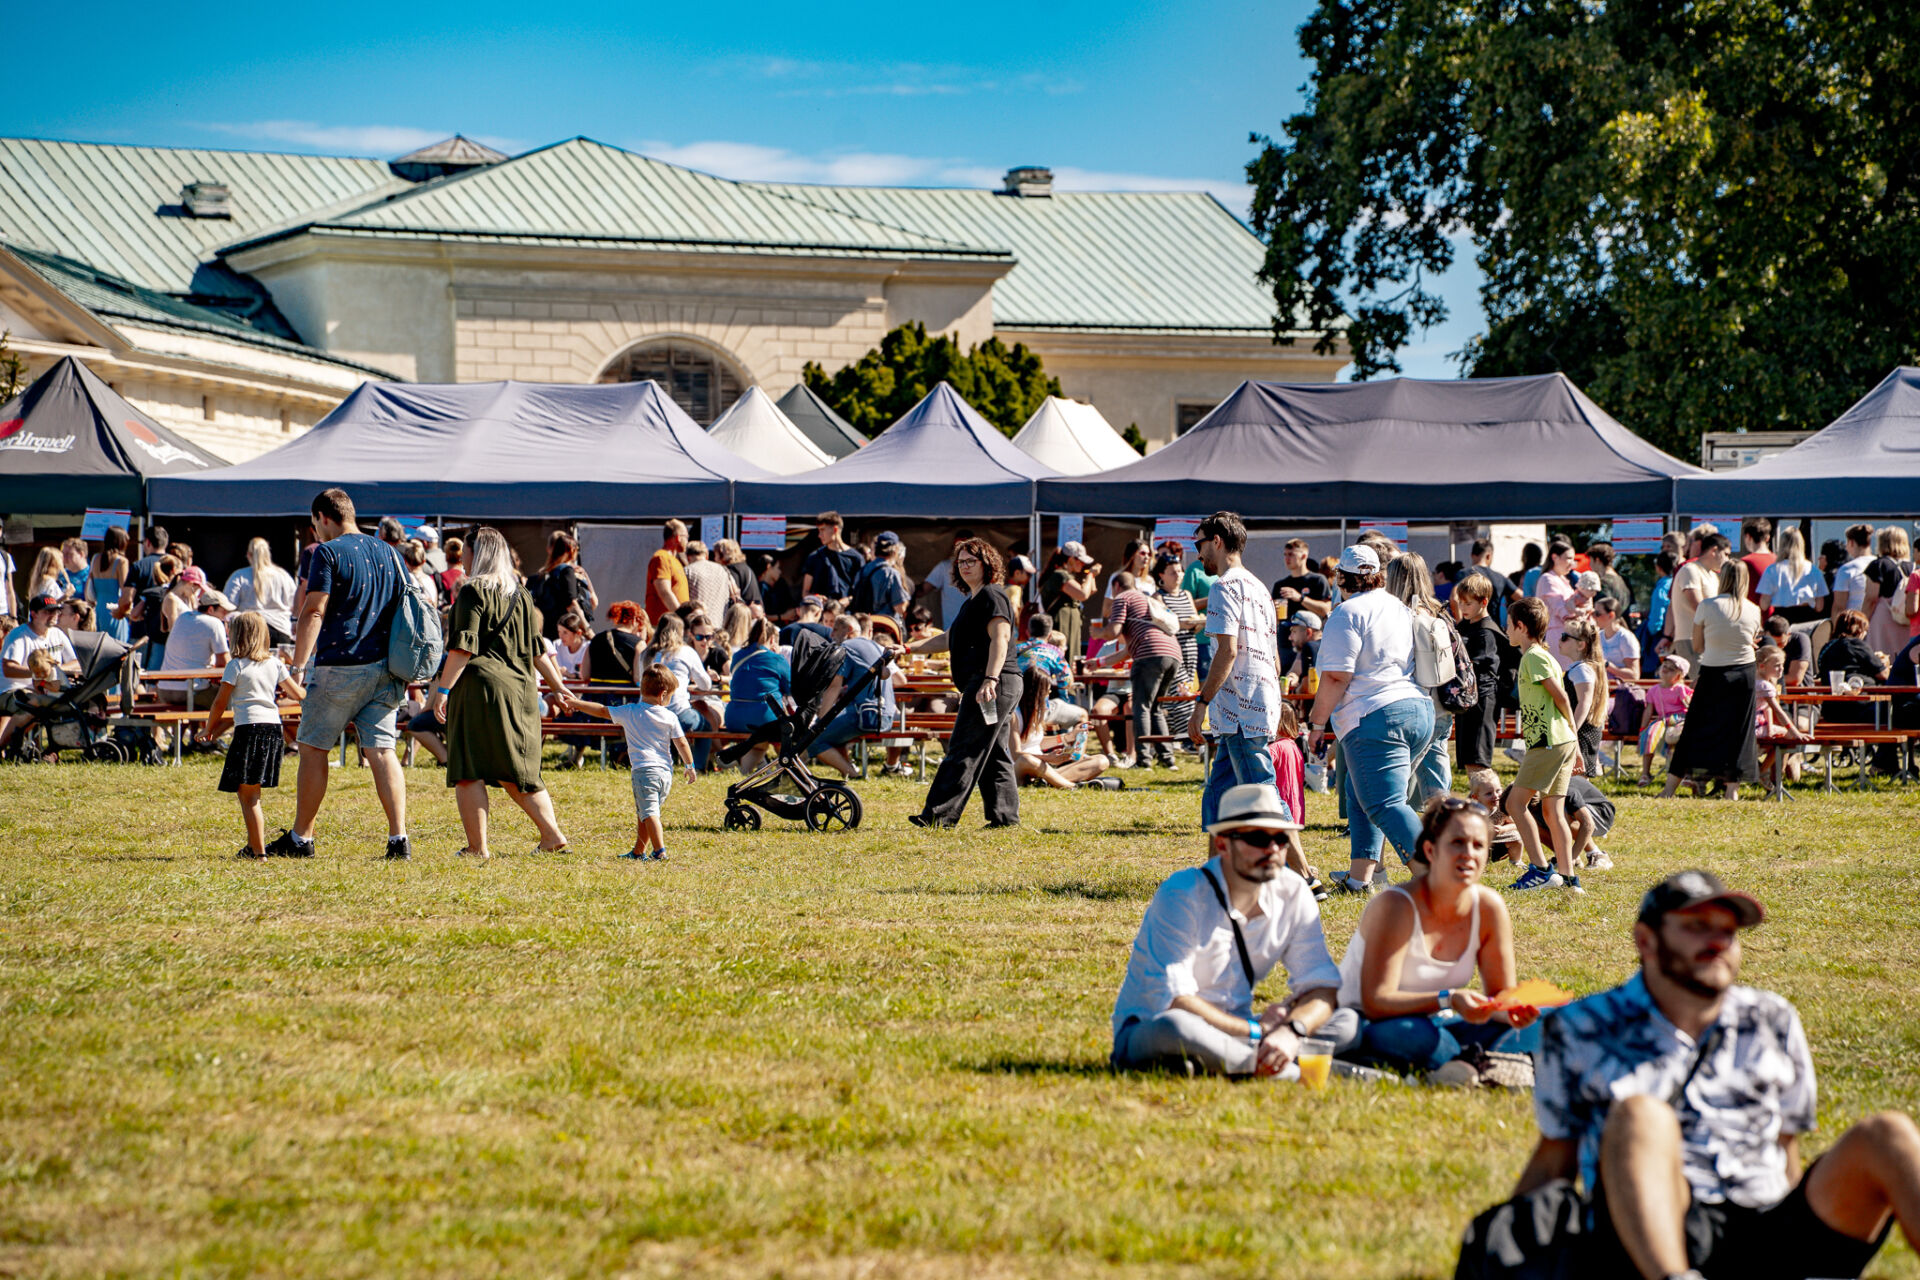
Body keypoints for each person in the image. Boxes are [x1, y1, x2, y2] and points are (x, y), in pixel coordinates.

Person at [1498, 870, 1920, 1280]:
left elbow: (1785, 1149)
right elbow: (1555, 1158)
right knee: (1641, 1116)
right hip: (1651, 1233)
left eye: (1728, 931)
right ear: (1646, 940)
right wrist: (1507, 1248)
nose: (1717, 940)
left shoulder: (1772, 1018)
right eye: (1697, 926)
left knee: (1889, 1135)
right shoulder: (1579, 1028)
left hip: (1766, 1225)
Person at [1110, 783, 1339, 1077]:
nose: (1271, 849)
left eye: (1281, 839)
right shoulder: (1182, 893)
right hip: (1154, 1027)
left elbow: (1322, 985)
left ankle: (1219, 1063)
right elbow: (1173, 1000)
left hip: (1240, 1029)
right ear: (1222, 844)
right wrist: (1259, 1031)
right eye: (1258, 838)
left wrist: (1292, 1030)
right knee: (1178, 1027)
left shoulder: (1294, 891)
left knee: (1345, 1021)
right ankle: (1295, 1073)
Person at [1320, 795, 1539, 1081]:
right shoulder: (1396, 906)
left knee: (1545, 1025)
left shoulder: (1488, 907)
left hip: (1439, 1020)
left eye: (1478, 846)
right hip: (1368, 1020)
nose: (1468, 854)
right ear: (1430, 849)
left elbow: (1499, 998)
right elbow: (1376, 1001)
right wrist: (1448, 999)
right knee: (1420, 1038)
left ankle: (1471, 1064)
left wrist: (1516, 1013)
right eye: (1457, 843)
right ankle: (1478, 1064)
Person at [272, 488, 411, 862]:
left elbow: (314, 611)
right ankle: (399, 840)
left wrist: (297, 667)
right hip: (387, 667)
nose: (315, 531)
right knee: (383, 751)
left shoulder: (327, 553)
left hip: (340, 666)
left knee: (314, 747)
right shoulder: (390, 552)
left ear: (324, 517)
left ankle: (301, 838)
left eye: (314, 523)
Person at [425, 527, 573, 860]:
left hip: (480, 689)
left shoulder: (471, 591)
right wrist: (558, 687)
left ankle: (478, 848)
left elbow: (463, 647)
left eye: (465, 550)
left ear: (477, 554)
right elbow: (537, 650)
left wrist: (443, 690)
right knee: (518, 769)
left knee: (468, 769)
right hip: (520, 689)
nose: (462, 556)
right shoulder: (521, 594)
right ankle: (552, 834)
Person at [1307, 544, 1432, 894]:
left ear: (1341, 577)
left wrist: (1317, 725)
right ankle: (1360, 879)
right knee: (1361, 792)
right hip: (1416, 709)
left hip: (1375, 715)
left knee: (1386, 803)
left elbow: (1336, 677)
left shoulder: (1346, 613)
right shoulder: (1398, 607)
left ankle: (1438, 877)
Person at [907, 537, 1021, 829]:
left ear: (987, 563)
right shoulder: (973, 601)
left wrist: (990, 679)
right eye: (961, 562)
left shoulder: (993, 596)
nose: (966, 566)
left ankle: (938, 816)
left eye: (972, 560)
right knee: (993, 751)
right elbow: (947, 639)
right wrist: (908, 648)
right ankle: (1005, 818)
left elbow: (1001, 638)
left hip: (993, 684)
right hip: (994, 684)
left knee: (963, 747)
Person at [1187, 511, 1285, 828]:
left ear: (1216, 541)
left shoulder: (1223, 587)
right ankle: (1216, 866)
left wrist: (1200, 703)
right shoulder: (1259, 587)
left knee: (1262, 796)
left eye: (1199, 543)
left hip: (1240, 708)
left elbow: (1227, 652)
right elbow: (1274, 655)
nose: (1197, 553)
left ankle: (1300, 872)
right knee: (1218, 793)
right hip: (1252, 705)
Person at [197, 612, 305, 860]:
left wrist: (208, 729)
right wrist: (296, 667)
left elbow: (219, 703)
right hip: (273, 730)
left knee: (249, 796)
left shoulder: (236, 665)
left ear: (236, 636)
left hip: (249, 730)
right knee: (251, 792)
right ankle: (251, 846)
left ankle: (258, 853)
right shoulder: (275, 664)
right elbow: (298, 694)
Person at [571, 664, 697, 861]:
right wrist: (689, 766)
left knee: (649, 813)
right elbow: (681, 742)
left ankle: (659, 851)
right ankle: (638, 851)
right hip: (665, 773)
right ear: (663, 694)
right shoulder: (670, 716)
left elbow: (603, 711)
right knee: (645, 813)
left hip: (644, 771)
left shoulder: (630, 711)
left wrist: (577, 704)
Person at [1664, 560, 1761, 801]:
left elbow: (1697, 646)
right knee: (1739, 731)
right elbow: (1751, 640)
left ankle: (1669, 789)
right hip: (1744, 674)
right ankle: (1732, 789)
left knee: (1695, 728)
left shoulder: (1707, 606)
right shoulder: (1753, 609)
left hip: (1713, 671)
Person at [1505, 597, 1581, 892]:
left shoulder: (1533, 657)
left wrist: (1572, 732)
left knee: (1514, 803)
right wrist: (1572, 740)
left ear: (1521, 627)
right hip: (1559, 741)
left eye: (1509, 625)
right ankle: (1568, 877)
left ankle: (1539, 869)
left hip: (1548, 741)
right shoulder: (1544, 655)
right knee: (1552, 811)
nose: (1507, 629)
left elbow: (1560, 697)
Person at [1385, 552, 1455, 803]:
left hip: (1416, 705)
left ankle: (1389, 830)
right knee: (1437, 781)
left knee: (1396, 780)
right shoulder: (1439, 611)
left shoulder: (1401, 616)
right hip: (1444, 701)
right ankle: (1447, 828)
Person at [1099, 569, 1183, 770]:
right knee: (1154, 707)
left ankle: (1143, 760)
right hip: (1173, 654)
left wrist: (1098, 632)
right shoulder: (1147, 600)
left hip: (1150, 656)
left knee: (1141, 706)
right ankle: (1167, 759)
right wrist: (1100, 662)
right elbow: (1129, 650)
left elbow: (1113, 632)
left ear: (1116, 586)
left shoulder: (1123, 598)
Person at [809, 613, 897, 779]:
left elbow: (834, 687)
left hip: (866, 715)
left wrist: (821, 721)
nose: (832, 634)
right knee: (833, 733)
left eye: (835, 629)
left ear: (849, 630)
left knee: (814, 739)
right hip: (886, 716)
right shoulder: (875, 646)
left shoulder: (847, 647)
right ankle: (849, 770)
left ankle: (853, 774)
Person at [1449, 573, 1512, 785]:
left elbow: (1478, 666)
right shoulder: (1465, 625)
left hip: (1483, 700)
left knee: (1479, 760)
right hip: (1468, 701)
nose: (1463, 608)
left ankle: (1492, 803)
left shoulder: (1486, 631)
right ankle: (1481, 802)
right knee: (1469, 760)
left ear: (1483, 602)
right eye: (1461, 602)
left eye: (1468, 603)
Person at [1010, 666, 1114, 788]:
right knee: (1027, 760)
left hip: (1042, 769)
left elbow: (1035, 742)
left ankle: (1047, 782)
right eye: (1047, 691)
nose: (1049, 695)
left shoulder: (1037, 713)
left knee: (1101, 760)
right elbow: (1016, 754)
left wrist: (1068, 737)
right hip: (1020, 768)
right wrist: (1048, 758)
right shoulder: (1014, 715)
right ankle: (1072, 786)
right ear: (1035, 692)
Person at [642, 614, 719, 772]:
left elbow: (639, 680)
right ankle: (697, 767)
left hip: (646, 712)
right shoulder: (686, 652)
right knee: (705, 728)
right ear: (681, 632)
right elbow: (705, 684)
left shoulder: (646, 653)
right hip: (677, 711)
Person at [154, 588, 233, 708]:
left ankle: (199, 727)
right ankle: (207, 728)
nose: (225, 617)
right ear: (211, 609)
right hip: (190, 692)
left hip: (164, 690)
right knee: (238, 703)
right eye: (224, 612)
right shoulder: (214, 624)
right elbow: (224, 663)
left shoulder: (183, 617)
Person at [1670, 533, 1731, 670]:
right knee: (1700, 685)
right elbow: (1699, 607)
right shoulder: (1690, 570)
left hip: (1709, 640)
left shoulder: (1712, 575)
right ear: (1714, 551)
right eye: (1726, 554)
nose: (1728, 560)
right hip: (1690, 639)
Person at [223, 537, 297, 645]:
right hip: (280, 630)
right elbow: (294, 604)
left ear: (249, 555)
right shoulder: (283, 576)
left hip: (249, 630)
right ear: (268, 554)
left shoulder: (239, 576)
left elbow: (228, 605)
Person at [1561, 617, 1609, 778]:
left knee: (1578, 779)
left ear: (1581, 645)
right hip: (1581, 729)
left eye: (1565, 637)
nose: (1561, 640)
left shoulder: (1582, 670)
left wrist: (1571, 731)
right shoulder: (1579, 668)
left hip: (1582, 731)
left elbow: (1584, 702)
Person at [527, 532, 598, 640]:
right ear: (572, 550)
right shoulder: (567, 571)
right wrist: (588, 631)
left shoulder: (542, 575)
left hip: (546, 632)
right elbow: (572, 603)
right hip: (565, 634)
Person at [1038, 541, 1099, 666]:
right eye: (1080, 561)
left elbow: (1091, 590)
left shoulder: (1066, 575)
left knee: (1071, 660)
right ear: (1071, 559)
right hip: (1062, 623)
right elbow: (1083, 594)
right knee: (1062, 659)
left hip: (1070, 623)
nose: (1082, 564)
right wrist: (1091, 574)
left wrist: (1090, 576)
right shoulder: (1060, 575)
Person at [1637, 655, 1694, 784]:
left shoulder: (1680, 689)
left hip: (1680, 720)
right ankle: (1645, 773)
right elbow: (1648, 711)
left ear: (1679, 676)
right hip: (1663, 720)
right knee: (1649, 735)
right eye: (1665, 666)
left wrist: (1685, 697)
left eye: (1672, 669)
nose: (1666, 669)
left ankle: (1683, 774)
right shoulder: (1654, 690)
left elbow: (1689, 706)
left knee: (1678, 738)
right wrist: (1643, 728)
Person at [1755, 527, 1825, 625]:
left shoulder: (1772, 570)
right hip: (1807, 618)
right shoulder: (1812, 569)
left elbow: (1764, 604)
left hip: (1781, 619)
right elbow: (1819, 606)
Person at [1866, 525, 1914, 657]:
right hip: (1907, 617)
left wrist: (1863, 620)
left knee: (1881, 656)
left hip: (1883, 616)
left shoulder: (1879, 565)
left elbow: (1870, 598)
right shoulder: (1913, 567)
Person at [800, 512, 863, 609]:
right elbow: (805, 592)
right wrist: (816, 598)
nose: (819, 535)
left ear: (835, 530)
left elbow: (862, 591)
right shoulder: (814, 558)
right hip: (821, 615)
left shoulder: (856, 558)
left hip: (847, 615)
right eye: (819, 530)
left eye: (822, 530)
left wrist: (849, 600)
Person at [1461, 538, 1523, 627]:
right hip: (1493, 628)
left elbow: (1454, 598)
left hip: (1470, 629)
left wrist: (1460, 623)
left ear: (1472, 555)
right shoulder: (1500, 578)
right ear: (1489, 556)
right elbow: (1522, 598)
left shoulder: (1464, 574)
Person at [851, 531, 909, 624]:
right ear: (895, 550)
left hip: (864, 625)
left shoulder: (862, 571)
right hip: (884, 626)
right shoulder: (891, 573)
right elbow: (900, 608)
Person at [86, 527, 132, 644]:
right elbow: (125, 589)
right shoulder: (121, 562)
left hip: (99, 609)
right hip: (115, 609)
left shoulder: (96, 558)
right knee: (118, 647)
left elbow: (90, 584)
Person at [1535, 541, 1581, 651]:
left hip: (1569, 635)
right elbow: (1561, 609)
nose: (1572, 563)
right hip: (1557, 637)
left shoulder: (1562, 579)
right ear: (1555, 557)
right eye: (1568, 558)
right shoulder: (1547, 578)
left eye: (1573, 559)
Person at [645, 520, 690, 625]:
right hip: (664, 625)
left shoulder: (675, 560)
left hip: (675, 624)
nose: (687, 541)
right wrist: (682, 617)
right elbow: (664, 592)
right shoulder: (661, 558)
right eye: (686, 537)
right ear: (678, 538)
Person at [1830, 522, 1876, 621]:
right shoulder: (1880, 564)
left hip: (1853, 625)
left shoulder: (1847, 569)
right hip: (1876, 623)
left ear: (1851, 542)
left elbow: (1839, 606)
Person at [1761, 615, 1814, 687]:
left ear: (1788, 634)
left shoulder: (1800, 640)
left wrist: (1763, 678)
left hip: (1800, 693)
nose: (1777, 648)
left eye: (1781, 643)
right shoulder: (1760, 642)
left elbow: (1795, 679)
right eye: (1772, 644)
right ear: (1763, 634)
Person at [1588, 541, 1633, 616]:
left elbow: (1604, 610)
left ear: (1597, 560)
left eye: (1591, 560)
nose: (1590, 564)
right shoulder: (1623, 580)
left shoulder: (1603, 583)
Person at [1739, 518, 1776, 606]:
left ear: (1748, 537)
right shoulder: (1778, 560)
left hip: (1752, 614)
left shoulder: (1745, 562)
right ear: (1767, 538)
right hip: (1776, 615)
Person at [128, 526, 168, 596]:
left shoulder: (139, 566)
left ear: (148, 542)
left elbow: (127, 599)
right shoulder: (177, 564)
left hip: (145, 606)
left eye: (142, 542)